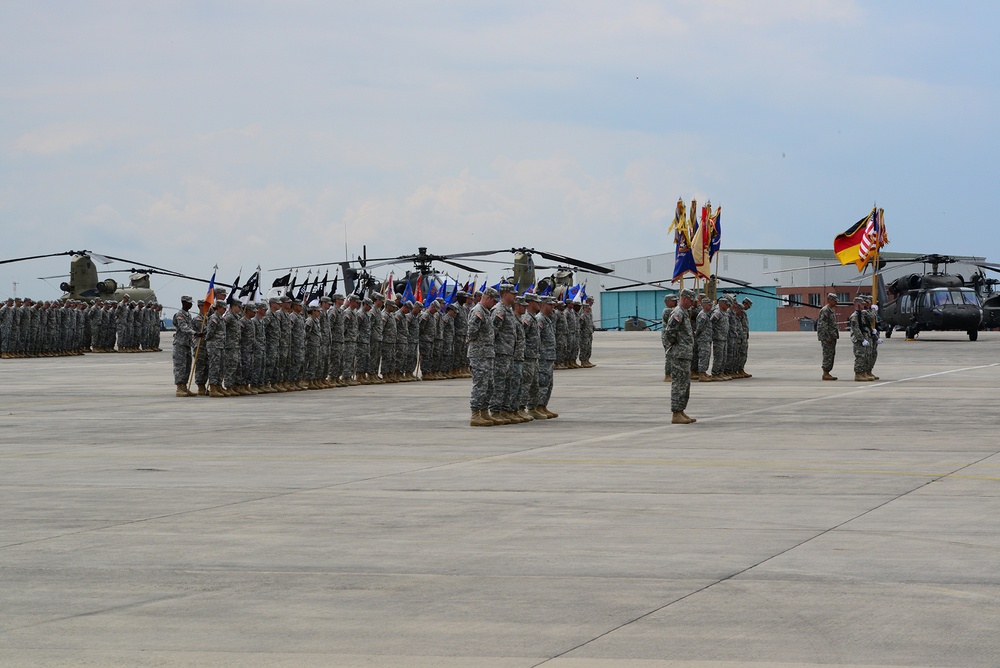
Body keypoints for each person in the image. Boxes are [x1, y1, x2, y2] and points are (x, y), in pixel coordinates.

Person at [664, 288, 696, 424]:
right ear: (685, 299)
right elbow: (670, 330)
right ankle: (676, 413)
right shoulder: (677, 312)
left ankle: (681, 410)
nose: (692, 303)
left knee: (685, 384)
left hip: (685, 354)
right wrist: (674, 343)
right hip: (679, 354)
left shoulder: (684, 312)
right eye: (691, 301)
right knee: (679, 384)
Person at [467, 287, 498, 427]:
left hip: (487, 353)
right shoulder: (478, 311)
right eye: (493, 300)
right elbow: (472, 331)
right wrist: (479, 345)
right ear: (488, 298)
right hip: (479, 354)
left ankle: (484, 411)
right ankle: (475, 413)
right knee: (480, 384)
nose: (494, 304)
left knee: (489, 384)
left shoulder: (486, 312)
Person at [171, 296, 199, 396]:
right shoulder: (179, 314)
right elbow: (184, 328)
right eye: (189, 303)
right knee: (180, 366)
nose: (191, 304)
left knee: (187, 366)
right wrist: (195, 333)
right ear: (184, 303)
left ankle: (184, 387)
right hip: (180, 344)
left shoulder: (189, 315)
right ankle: (179, 388)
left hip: (187, 344)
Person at [848, 296, 874, 382]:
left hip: (863, 338)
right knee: (860, 356)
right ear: (858, 304)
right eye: (862, 304)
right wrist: (862, 339)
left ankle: (863, 372)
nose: (863, 305)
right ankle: (858, 374)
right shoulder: (854, 316)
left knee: (864, 356)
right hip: (858, 340)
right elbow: (856, 330)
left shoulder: (860, 315)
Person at [817, 293, 839, 380]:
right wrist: (827, 337)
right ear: (829, 300)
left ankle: (827, 372)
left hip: (832, 336)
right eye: (834, 300)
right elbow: (823, 325)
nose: (836, 302)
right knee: (827, 354)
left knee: (831, 354)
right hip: (827, 337)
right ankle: (825, 373)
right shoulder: (825, 310)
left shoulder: (830, 310)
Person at [694, 296, 713, 381]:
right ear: (704, 305)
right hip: (703, 339)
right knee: (703, 355)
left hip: (707, 338)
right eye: (709, 305)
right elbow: (699, 328)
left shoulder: (706, 314)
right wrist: (698, 336)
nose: (711, 307)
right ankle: (701, 374)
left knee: (706, 355)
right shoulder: (702, 315)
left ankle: (703, 372)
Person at [661, 293, 677, 382]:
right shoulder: (667, 311)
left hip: (670, 334)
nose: (675, 302)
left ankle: (671, 373)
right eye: (673, 300)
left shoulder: (671, 309)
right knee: (669, 355)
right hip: (667, 336)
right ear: (667, 301)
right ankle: (668, 374)